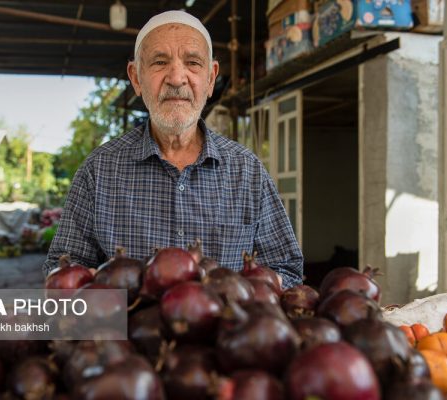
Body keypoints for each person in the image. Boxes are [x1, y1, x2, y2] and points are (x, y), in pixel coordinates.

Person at [42, 10, 303, 288]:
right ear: (136, 78)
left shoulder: (247, 171)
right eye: (159, 62)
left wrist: (239, 295)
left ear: (211, 78)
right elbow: (63, 270)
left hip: (224, 329)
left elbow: (286, 270)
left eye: (192, 62)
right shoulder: (99, 170)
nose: (177, 78)